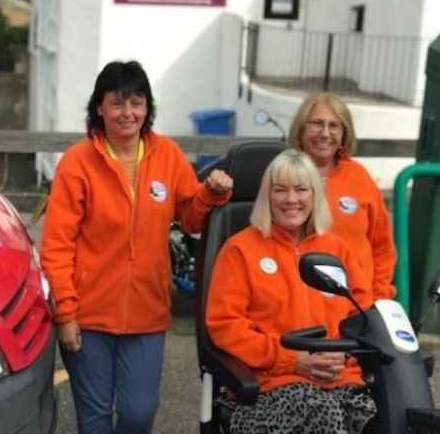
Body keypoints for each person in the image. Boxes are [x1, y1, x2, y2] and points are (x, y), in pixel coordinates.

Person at [40, 60, 233, 434]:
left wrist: (209, 194)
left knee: (138, 414)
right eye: (117, 103)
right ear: (100, 107)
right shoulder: (77, 164)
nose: (128, 113)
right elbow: (57, 245)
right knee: (94, 420)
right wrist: (65, 313)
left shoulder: (168, 155)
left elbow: (191, 219)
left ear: (147, 107)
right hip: (88, 314)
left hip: (147, 312)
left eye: (137, 103)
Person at [206, 149, 376, 434]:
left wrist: (344, 357)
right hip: (266, 389)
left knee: (387, 414)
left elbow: (363, 316)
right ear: (267, 196)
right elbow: (225, 327)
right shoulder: (240, 250)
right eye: (280, 190)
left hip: (341, 381)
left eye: (300, 189)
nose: (291, 199)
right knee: (322, 413)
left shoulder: (336, 249)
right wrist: (292, 360)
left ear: (314, 195)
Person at [288, 92, 397, 300]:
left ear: (344, 134)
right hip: (301, 302)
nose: (325, 133)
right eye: (317, 123)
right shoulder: (284, 174)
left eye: (334, 126)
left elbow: (382, 246)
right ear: (301, 130)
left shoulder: (360, 177)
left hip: (357, 301)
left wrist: (378, 294)